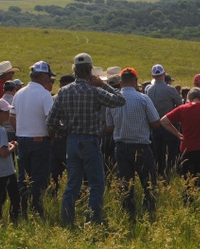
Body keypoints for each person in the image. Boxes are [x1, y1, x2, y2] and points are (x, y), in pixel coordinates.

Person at [46, 52, 126, 226]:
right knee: (96, 185)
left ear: (74, 70)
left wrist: (65, 130)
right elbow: (120, 100)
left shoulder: (63, 92)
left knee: (72, 185)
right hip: (90, 140)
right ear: (90, 70)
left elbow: (51, 120)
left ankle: (67, 221)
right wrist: (104, 85)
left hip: (72, 141)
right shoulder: (95, 92)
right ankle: (92, 222)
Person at [107, 67, 160, 220]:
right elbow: (156, 123)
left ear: (121, 82)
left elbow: (109, 128)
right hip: (141, 146)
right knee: (148, 183)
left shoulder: (113, 100)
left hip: (121, 146)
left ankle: (128, 215)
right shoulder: (143, 99)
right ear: (135, 81)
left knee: (125, 184)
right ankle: (150, 212)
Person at [11, 60, 55, 219]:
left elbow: (12, 117)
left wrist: (20, 132)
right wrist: (51, 137)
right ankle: (37, 210)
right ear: (43, 76)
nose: (49, 79)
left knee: (23, 177)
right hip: (39, 141)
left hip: (22, 140)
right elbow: (50, 121)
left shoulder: (19, 93)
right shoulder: (44, 95)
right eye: (48, 76)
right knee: (38, 177)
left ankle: (22, 210)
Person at [161, 87, 200, 197]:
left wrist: (178, 134)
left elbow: (164, 121)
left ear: (188, 98)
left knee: (188, 180)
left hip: (187, 148)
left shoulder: (182, 109)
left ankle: (188, 201)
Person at [145, 63, 182, 179]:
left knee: (158, 153)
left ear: (152, 76)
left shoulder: (149, 91)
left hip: (155, 125)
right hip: (169, 124)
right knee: (171, 152)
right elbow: (180, 105)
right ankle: (169, 174)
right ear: (164, 74)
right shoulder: (170, 89)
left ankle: (159, 174)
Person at [49, 74, 75, 193]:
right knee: (73, 169)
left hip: (55, 138)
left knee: (55, 171)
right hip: (69, 138)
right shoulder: (74, 98)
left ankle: (53, 194)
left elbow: (50, 121)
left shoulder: (53, 98)